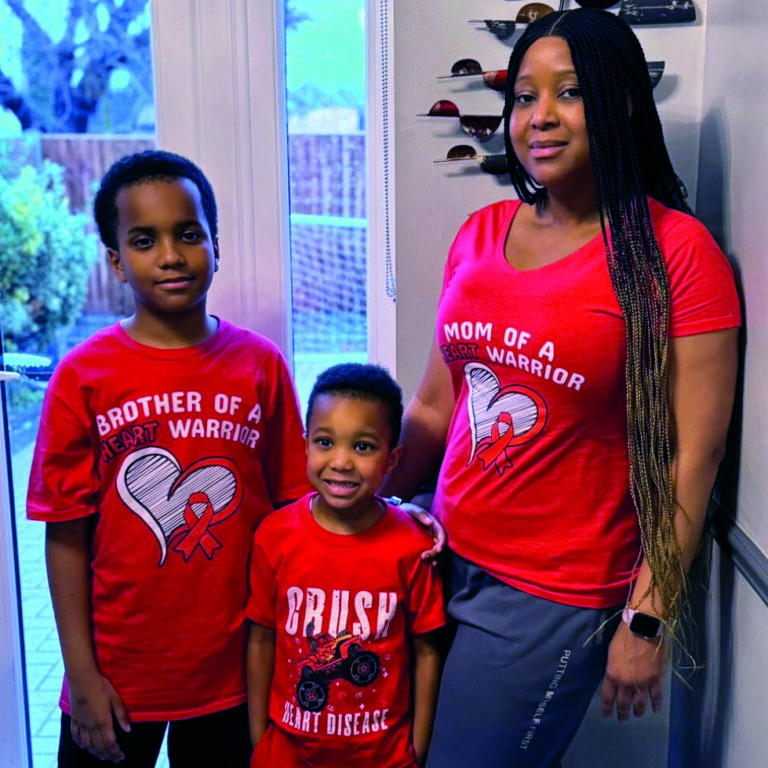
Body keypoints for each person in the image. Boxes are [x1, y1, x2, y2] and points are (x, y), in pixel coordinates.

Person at [381, 9, 741, 768]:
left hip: (550, 594)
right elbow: (435, 405)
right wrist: (355, 503)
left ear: (617, 104)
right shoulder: (480, 235)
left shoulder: (676, 254)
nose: (538, 118)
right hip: (437, 554)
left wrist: (647, 620)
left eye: (569, 93)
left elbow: (693, 459)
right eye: (522, 97)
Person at [26, 150, 312, 767]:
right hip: (117, 678)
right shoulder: (83, 377)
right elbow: (66, 538)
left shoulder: (261, 366)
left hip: (237, 672)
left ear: (215, 243)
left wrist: (391, 519)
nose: (172, 255)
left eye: (188, 234)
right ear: (116, 261)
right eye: (144, 240)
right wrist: (80, 677)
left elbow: (297, 514)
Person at [246, 363, 446, 768]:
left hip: (384, 756)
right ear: (305, 445)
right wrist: (259, 737)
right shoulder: (274, 535)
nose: (340, 462)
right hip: (287, 752)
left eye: (363, 447)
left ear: (392, 459)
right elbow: (262, 639)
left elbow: (426, 652)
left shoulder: (413, 546)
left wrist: (418, 747)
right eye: (325, 442)